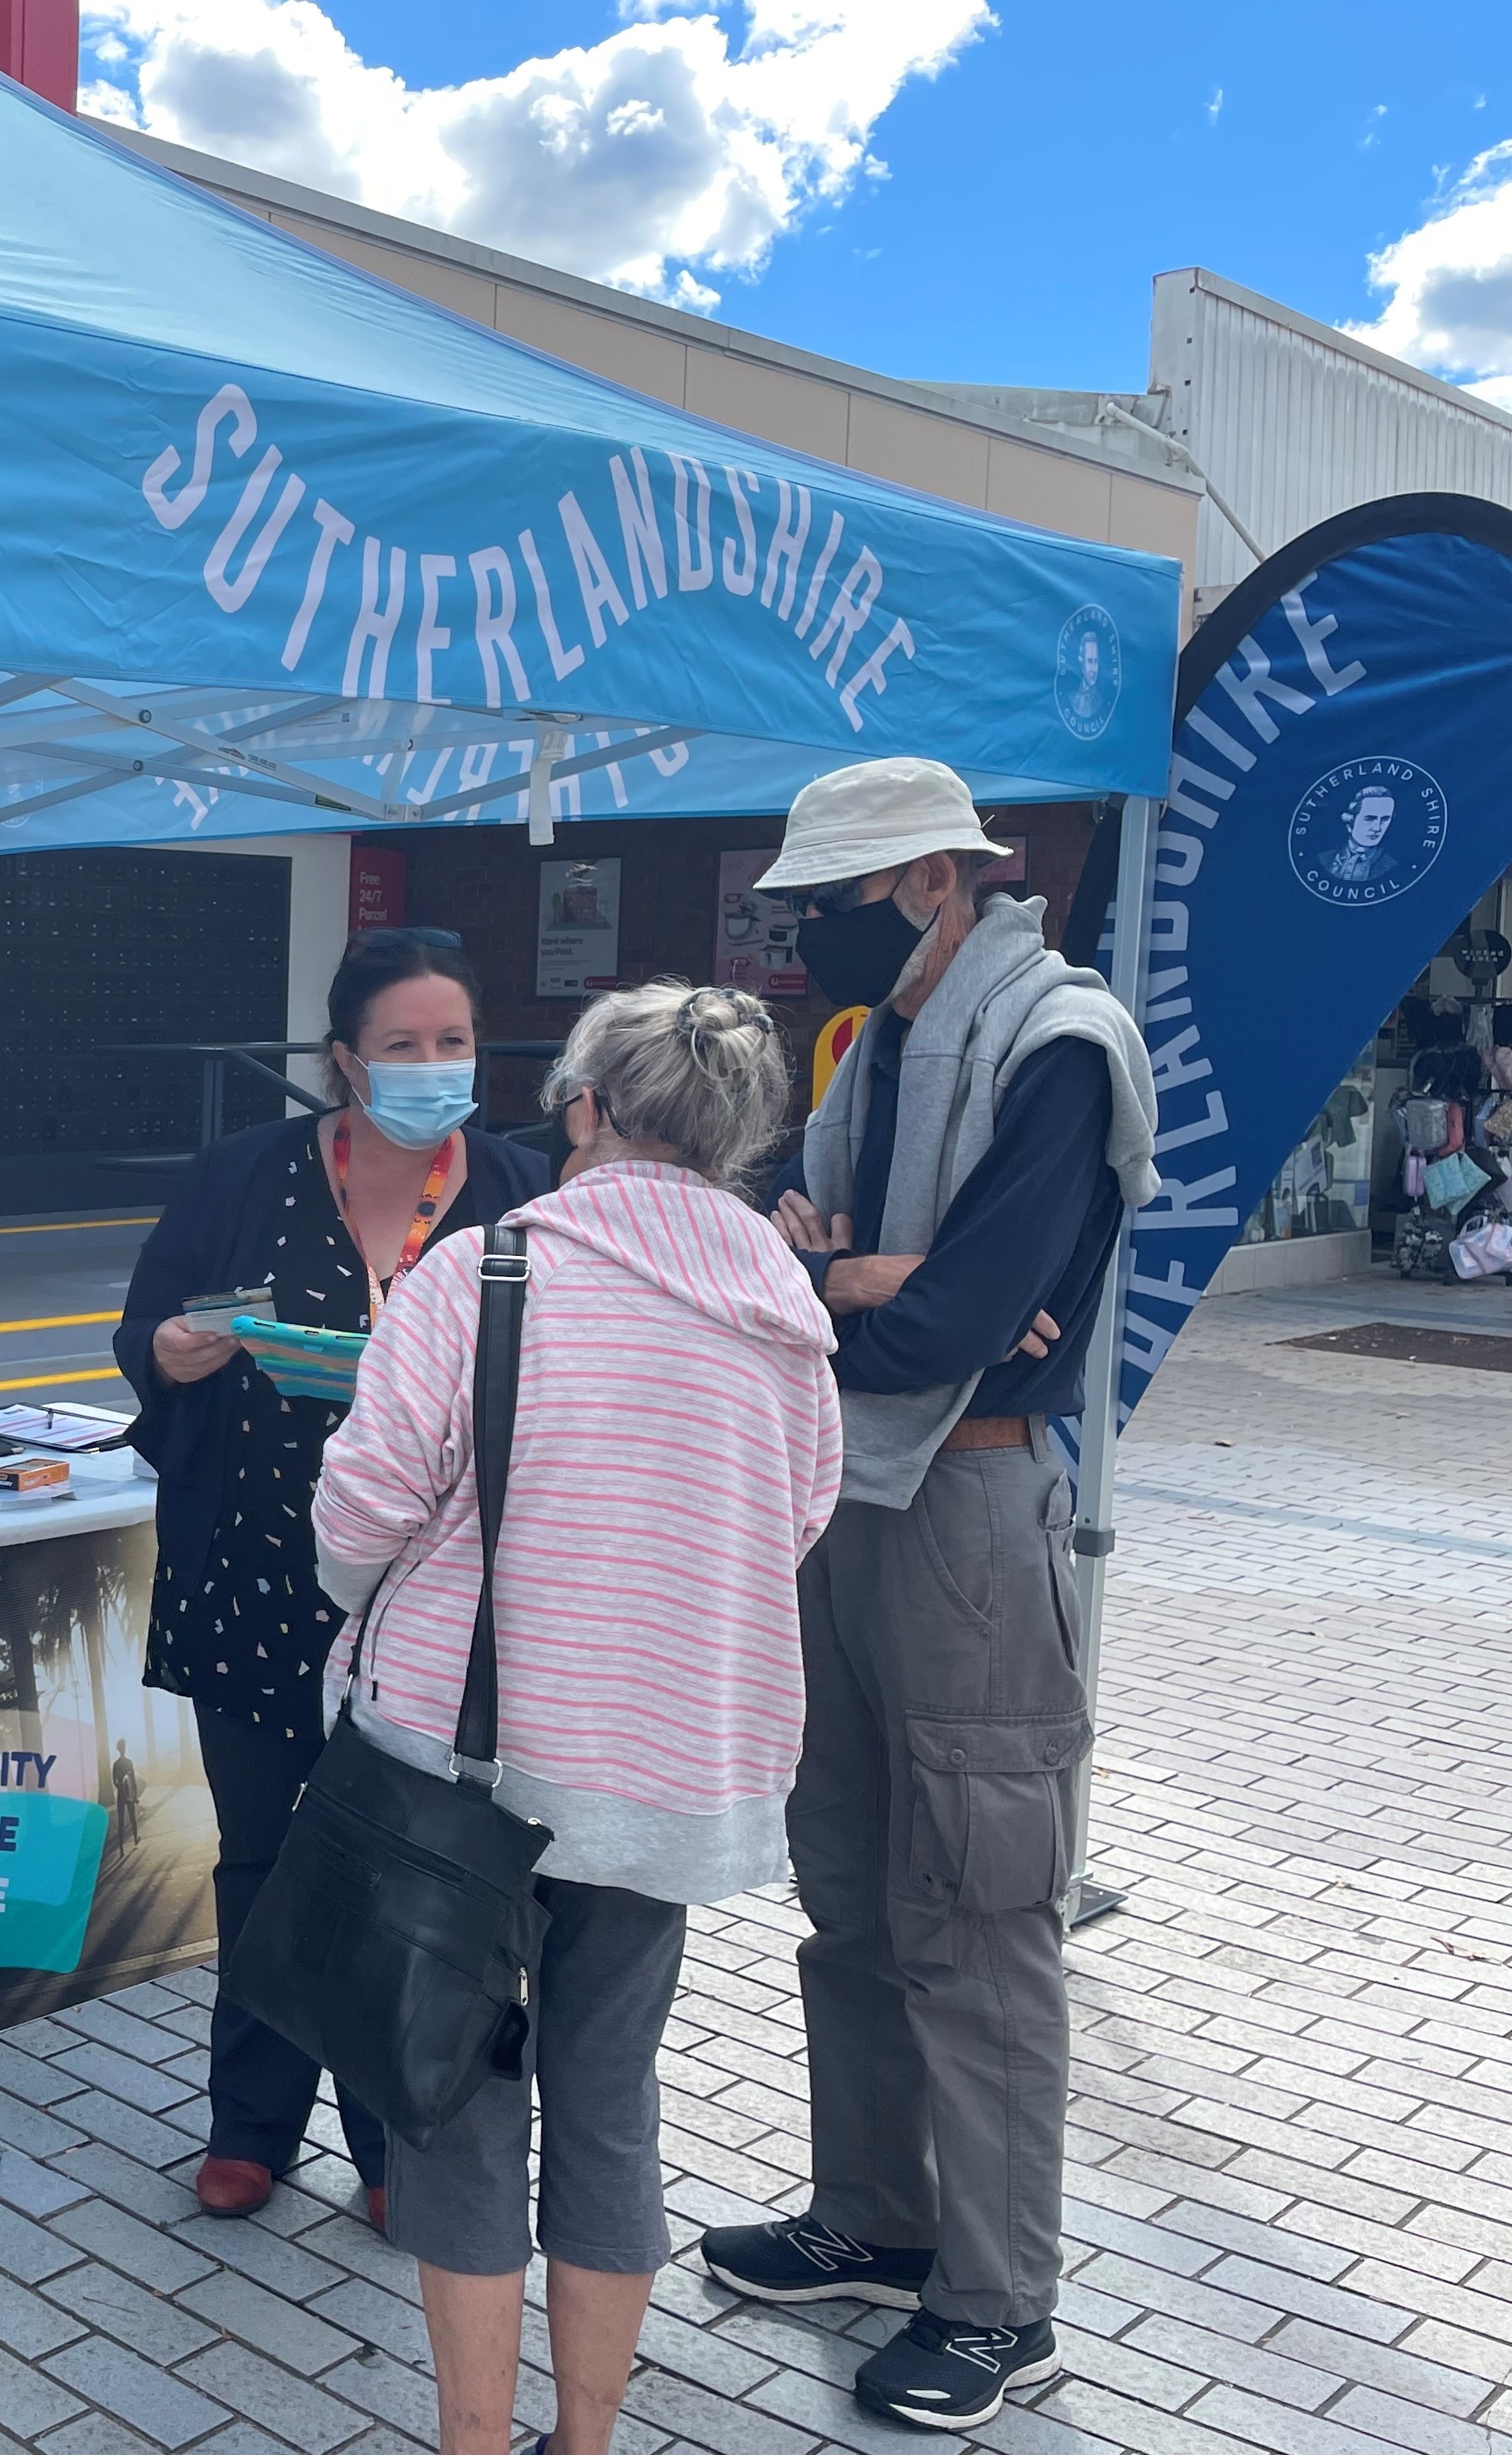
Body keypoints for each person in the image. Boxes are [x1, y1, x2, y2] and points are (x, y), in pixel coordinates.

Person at [312, 979, 842, 2455]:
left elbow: (361, 1508)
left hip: (461, 1776)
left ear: (591, 1107)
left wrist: (370, 1580)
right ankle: (584, 2440)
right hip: (661, 1782)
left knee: (460, 2110)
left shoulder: (486, 1271)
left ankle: (474, 2439)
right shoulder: (783, 1313)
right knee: (608, 2102)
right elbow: (791, 1519)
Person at [699, 757, 1155, 2431]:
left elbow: (959, 1326)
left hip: (968, 1511)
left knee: (981, 1914)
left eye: (819, 908)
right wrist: (846, 1277)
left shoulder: (1056, 1040)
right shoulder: (878, 1040)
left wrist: (860, 1286)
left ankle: (997, 2302)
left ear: (927, 885)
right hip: (851, 1491)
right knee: (858, 1896)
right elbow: (778, 1260)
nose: (800, 937)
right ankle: (874, 2221)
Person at [115, 926, 554, 2228]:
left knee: (404, 1873)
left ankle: (391, 2141)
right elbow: (144, 1324)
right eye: (403, 1047)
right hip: (257, 1572)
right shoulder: (245, 1175)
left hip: (438, 1604)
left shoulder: (523, 1192)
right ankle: (250, 2125)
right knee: (259, 1859)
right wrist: (174, 1351)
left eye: (454, 1044)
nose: (433, 1069)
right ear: (341, 1060)